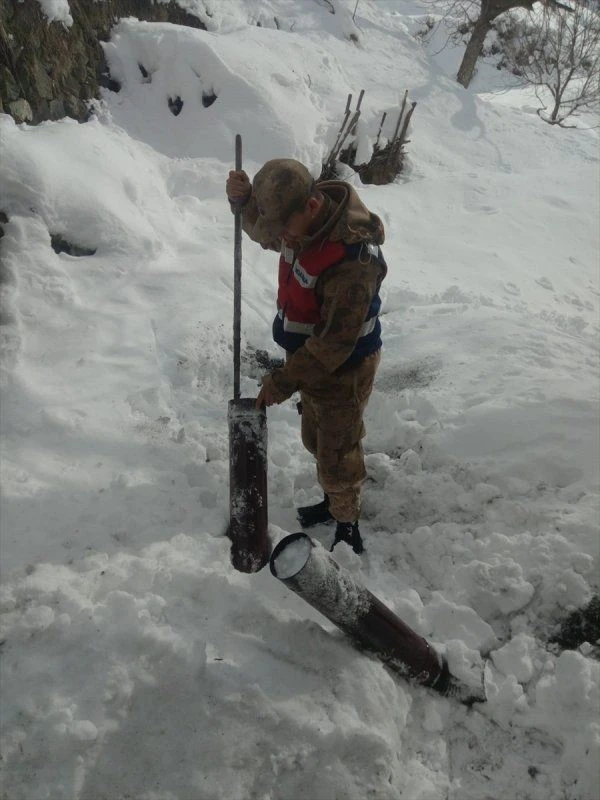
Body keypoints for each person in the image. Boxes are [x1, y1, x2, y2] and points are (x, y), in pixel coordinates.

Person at [226, 158, 386, 554]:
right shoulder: (301, 224)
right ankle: (335, 500)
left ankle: (347, 522)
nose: (280, 242)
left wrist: (281, 381)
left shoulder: (352, 265)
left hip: (343, 368)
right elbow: (265, 229)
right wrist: (244, 201)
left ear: (311, 208)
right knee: (317, 437)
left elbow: (333, 345)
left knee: (336, 451)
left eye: (284, 233)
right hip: (312, 364)